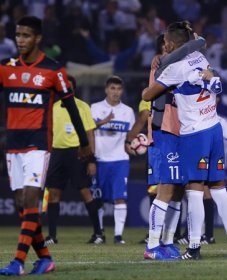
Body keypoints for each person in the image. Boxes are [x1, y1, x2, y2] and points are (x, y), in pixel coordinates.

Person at [0, 16, 92, 276]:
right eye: (17, 35)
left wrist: (84, 143)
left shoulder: (53, 70)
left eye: (26, 35)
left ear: (38, 38)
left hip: (38, 144)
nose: (20, 40)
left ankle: (17, 261)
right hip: (13, 145)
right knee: (21, 204)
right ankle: (45, 259)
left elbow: (72, 106)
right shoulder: (5, 68)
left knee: (31, 198)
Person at [143, 21, 227, 260]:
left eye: (166, 43)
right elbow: (198, 43)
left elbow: (147, 95)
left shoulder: (174, 67)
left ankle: (192, 247)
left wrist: (166, 80)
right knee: (219, 189)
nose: (163, 47)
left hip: (193, 133)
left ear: (173, 45)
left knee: (193, 191)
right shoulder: (200, 56)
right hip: (214, 128)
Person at [140, 33, 206, 260]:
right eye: (165, 45)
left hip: (182, 132)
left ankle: (167, 241)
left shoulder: (186, 63)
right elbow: (198, 43)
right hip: (165, 132)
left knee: (178, 191)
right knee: (166, 189)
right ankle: (152, 245)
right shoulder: (162, 64)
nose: (168, 48)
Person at [177, 114, 227, 245]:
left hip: (203, 159)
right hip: (215, 159)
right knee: (209, 194)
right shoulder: (218, 121)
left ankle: (199, 236)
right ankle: (210, 236)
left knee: (196, 193)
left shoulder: (199, 118)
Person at [44, 75, 104, 246]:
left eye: (69, 87)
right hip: (57, 153)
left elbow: (90, 133)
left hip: (78, 153)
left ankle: (98, 234)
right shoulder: (53, 107)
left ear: (74, 89)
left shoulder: (82, 106)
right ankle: (52, 236)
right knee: (54, 194)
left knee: (86, 192)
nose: (65, 90)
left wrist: (91, 159)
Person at [91, 75, 135, 245]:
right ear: (106, 90)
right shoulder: (95, 108)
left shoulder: (128, 111)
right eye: (112, 88)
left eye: (118, 89)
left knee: (120, 198)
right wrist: (104, 121)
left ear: (122, 91)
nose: (115, 92)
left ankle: (118, 236)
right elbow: (88, 130)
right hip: (100, 159)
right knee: (98, 199)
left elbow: (130, 136)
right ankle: (99, 234)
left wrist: (134, 147)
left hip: (120, 159)